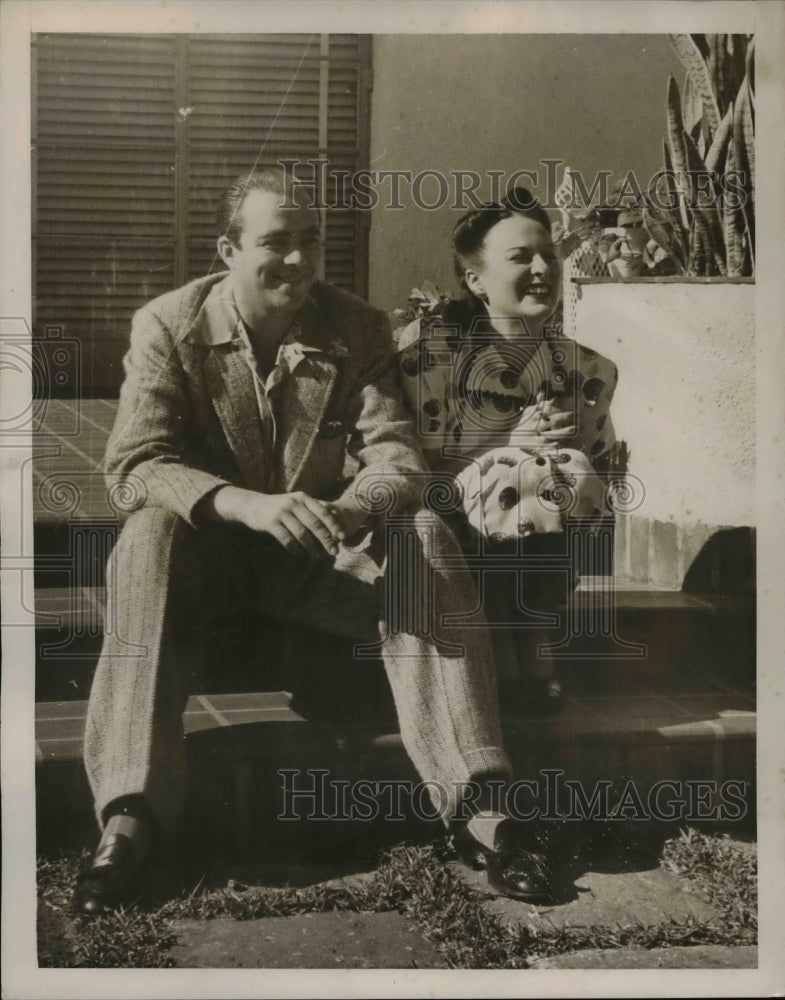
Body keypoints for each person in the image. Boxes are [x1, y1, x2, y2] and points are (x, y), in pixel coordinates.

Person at [74, 169, 558, 917]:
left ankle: (481, 805)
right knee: (148, 534)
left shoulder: (355, 327)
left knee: (422, 526)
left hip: (322, 565)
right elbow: (135, 467)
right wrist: (243, 504)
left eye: (310, 242)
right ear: (228, 249)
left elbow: (395, 457)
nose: (298, 262)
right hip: (211, 576)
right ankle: (130, 815)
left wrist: (356, 509)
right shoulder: (168, 325)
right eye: (275, 242)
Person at [397, 188, 619, 710]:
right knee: (527, 470)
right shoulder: (432, 357)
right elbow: (406, 467)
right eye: (521, 257)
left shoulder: (586, 369)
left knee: (567, 470)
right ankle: (502, 645)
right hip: (438, 520)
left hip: (541, 537)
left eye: (549, 254)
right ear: (475, 281)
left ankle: (535, 635)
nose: (542, 267)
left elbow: (596, 472)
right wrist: (508, 443)